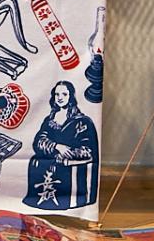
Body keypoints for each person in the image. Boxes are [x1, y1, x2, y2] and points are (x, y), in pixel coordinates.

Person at [23, 80, 99, 210]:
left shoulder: (82, 122)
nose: (60, 98)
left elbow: (88, 150)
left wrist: (66, 154)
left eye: (64, 94)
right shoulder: (50, 120)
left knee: (62, 166)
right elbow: (39, 141)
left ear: (71, 96)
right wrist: (56, 146)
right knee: (36, 161)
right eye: (57, 94)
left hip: (72, 163)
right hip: (51, 159)